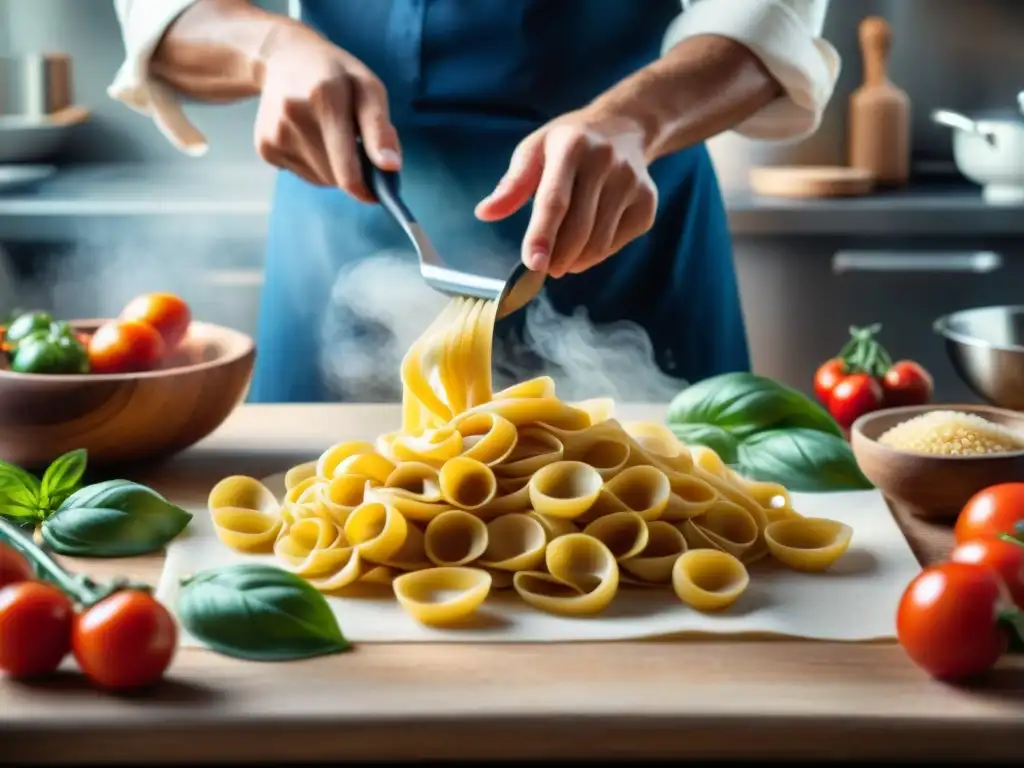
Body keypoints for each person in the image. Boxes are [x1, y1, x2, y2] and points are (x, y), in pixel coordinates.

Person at [110, 0, 839, 403]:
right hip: (349, 208)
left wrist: (638, 119)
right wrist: (271, 50)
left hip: (624, 206)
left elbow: (769, 15)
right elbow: (160, 14)